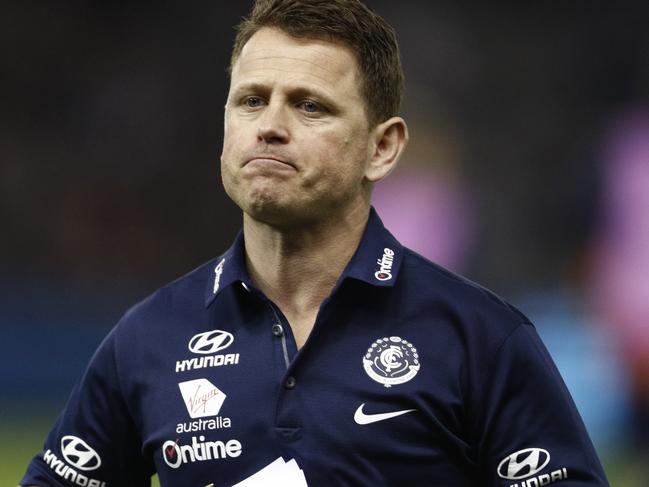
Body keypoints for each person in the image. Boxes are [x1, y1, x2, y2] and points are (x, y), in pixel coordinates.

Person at [21, 0, 610, 485]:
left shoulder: (481, 337)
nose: (270, 125)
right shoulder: (147, 338)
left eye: (310, 106)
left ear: (382, 148)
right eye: (251, 100)